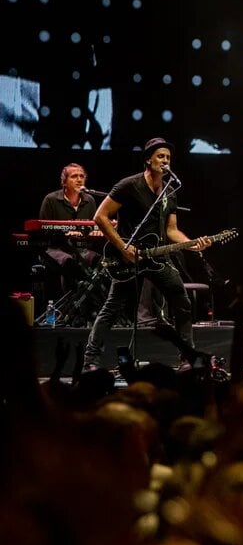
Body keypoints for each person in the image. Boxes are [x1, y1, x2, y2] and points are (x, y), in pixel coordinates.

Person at [83, 137, 213, 372]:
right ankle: (90, 362)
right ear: (148, 159)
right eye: (160, 156)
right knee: (112, 308)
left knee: (182, 302)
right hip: (127, 256)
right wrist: (123, 247)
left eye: (168, 158)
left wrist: (191, 244)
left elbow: (171, 230)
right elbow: (100, 217)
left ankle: (187, 359)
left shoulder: (170, 191)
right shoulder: (128, 185)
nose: (165, 161)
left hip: (157, 258)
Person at [37, 163, 102, 309]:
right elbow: (42, 232)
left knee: (99, 261)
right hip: (54, 249)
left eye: (82, 176)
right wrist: (65, 233)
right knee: (69, 261)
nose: (79, 179)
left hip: (81, 250)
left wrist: (96, 231)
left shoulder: (90, 200)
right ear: (64, 182)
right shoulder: (51, 200)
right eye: (74, 176)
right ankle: (70, 309)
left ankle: (90, 309)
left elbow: (92, 226)